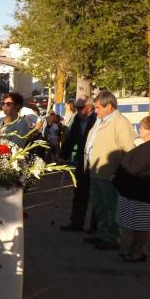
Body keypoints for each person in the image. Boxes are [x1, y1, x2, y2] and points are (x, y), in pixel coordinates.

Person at [83, 91, 136, 250]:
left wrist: (119, 172)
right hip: (95, 170)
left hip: (109, 173)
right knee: (99, 205)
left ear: (109, 106)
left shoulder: (120, 122)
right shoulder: (100, 120)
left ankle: (113, 238)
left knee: (110, 206)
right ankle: (102, 234)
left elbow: (129, 150)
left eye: (98, 107)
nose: (96, 111)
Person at [113, 116, 150, 262]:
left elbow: (135, 167)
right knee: (136, 224)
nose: (139, 128)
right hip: (138, 192)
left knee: (141, 225)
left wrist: (118, 177)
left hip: (144, 193)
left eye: (142, 127)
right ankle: (136, 250)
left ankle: (137, 252)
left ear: (149, 130)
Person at [59, 97, 98, 232]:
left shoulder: (97, 119)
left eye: (80, 107)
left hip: (96, 162)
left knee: (96, 195)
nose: (77, 110)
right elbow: (70, 139)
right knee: (79, 192)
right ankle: (76, 223)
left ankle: (95, 227)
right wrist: (63, 155)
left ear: (89, 107)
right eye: (76, 107)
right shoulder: (76, 120)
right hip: (82, 161)